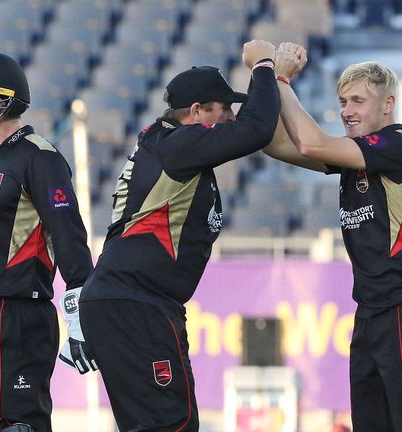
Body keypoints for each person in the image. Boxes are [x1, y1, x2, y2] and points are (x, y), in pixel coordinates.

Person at [77, 40, 280, 432]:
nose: (232, 117)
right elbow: (257, 129)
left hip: (125, 298)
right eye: (224, 109)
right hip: (138, 301)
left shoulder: (170, 145)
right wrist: (265, 65)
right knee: (173, 424)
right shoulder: (180, 144)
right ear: (197, 112)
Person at [263, 43, 402, 431]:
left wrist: (281, 79)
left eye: (357, 101)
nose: (347, 111)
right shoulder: (355, 156)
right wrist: (263, 77)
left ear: (387, 105)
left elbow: (310, 142)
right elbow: (276, 143)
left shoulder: (396, 146)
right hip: (372, 311)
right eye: (342, 102)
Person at [0, 51, 95, 432]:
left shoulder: (39, 158)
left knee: (17, 421)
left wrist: (80, 312)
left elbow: (69, 235)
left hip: (19, 314)